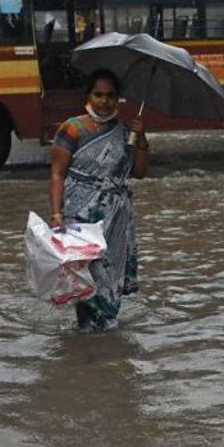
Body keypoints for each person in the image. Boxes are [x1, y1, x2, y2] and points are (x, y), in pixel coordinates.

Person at [48, 69, 148, 332]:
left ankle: (105, 332)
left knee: (110, 273)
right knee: (86, 275)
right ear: (88, 96)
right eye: (99, 94)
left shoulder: (126, 130)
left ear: (118, 99)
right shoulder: (72, 128)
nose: (104, 101)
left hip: (116, 217)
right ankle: (89, 330)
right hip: (79, 216)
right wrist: (56, 213)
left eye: (111, 96)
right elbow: (57, 173)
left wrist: (141, 138)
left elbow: (138, 172)